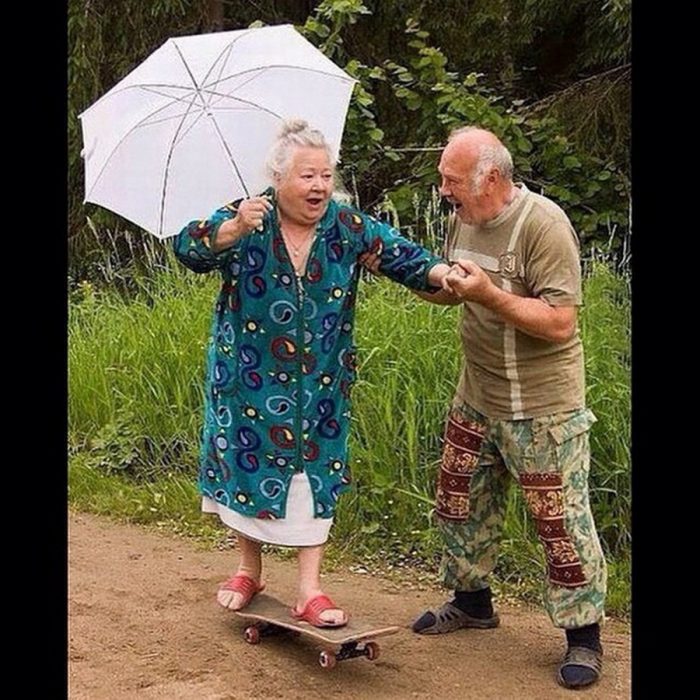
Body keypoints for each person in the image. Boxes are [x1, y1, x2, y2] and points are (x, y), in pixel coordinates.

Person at [171, 119, 451, 629]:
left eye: (325, 175)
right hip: (247, 378)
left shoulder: (346, 226)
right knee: (246, 467)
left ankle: (309, 589)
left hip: (321, 381)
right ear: (279, 179)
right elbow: (187, 249)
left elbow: (405, 257)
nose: (320, 185)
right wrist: (230, 230)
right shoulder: (245, 216)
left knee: (313, 474)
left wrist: (444, 274)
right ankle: (247, 569)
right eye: (307, 176)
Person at [397, 126, 606, 689]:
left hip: (543, 406)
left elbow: (561, 323)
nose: (444, 190)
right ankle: (471, 603)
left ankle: (583, 637)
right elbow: (449, 290)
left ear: (490, 177)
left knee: (559, 521)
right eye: (443, 178)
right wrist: (405, 270)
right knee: (459, 501)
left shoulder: (544, 225)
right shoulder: (460, 219)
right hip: (477, 394)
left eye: (452, 180)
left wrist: (490, 294)